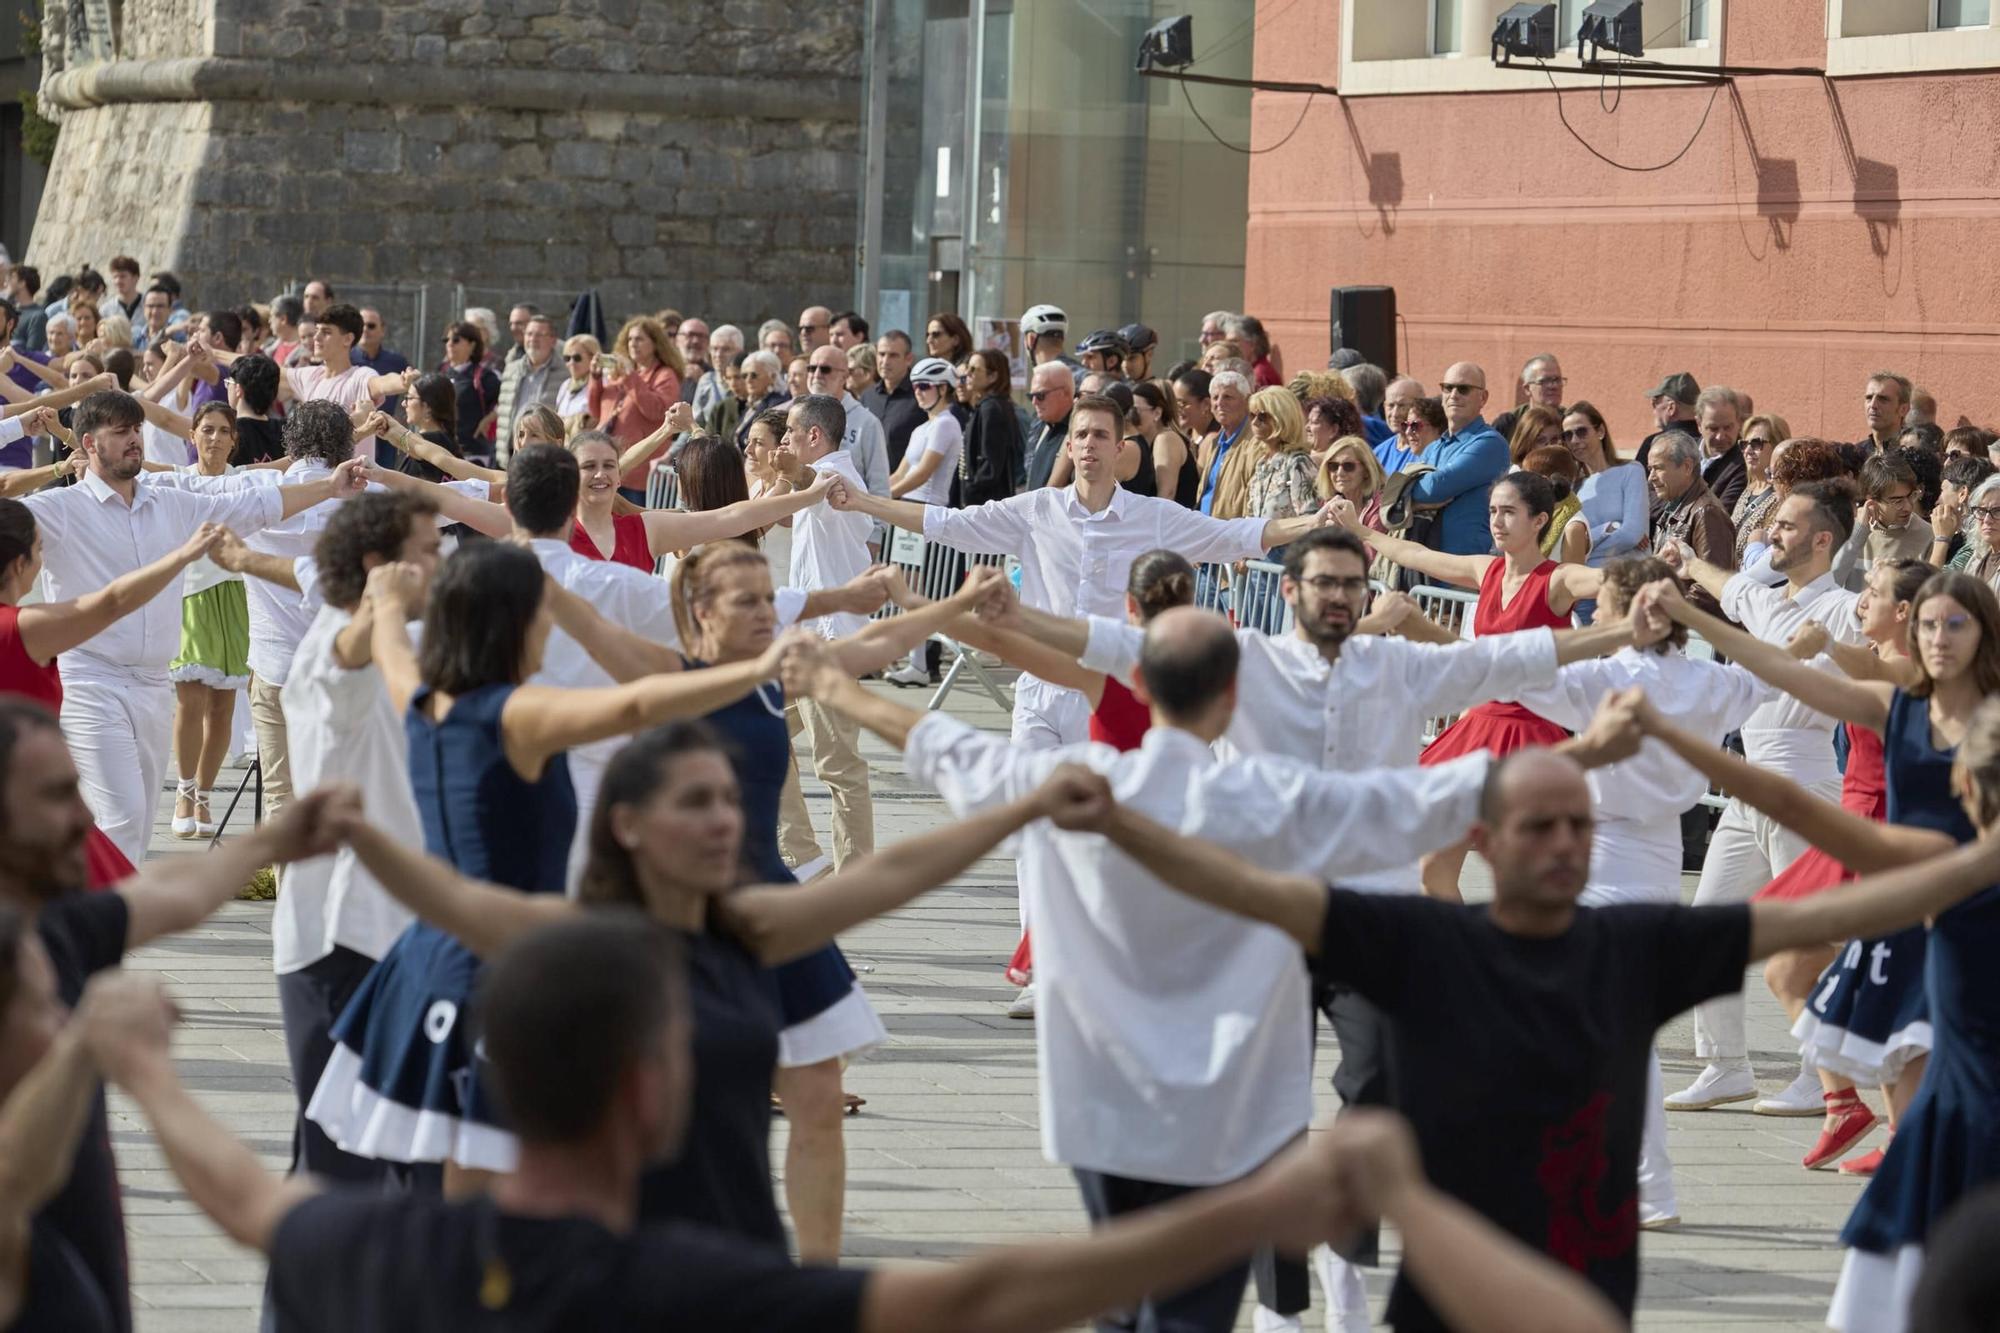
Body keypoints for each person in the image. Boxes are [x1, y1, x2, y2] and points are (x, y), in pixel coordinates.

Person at [1055, 682, 2000, 1333]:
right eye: (1538, 825)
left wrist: (1977, 865)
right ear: (1483, 838)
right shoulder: (1424, 942)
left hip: (1584, 1295)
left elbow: (1840, 905)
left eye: (1579, 825)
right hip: (1443, 1297)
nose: (1563, 843)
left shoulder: (1636, 949)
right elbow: (1260, 892)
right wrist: (1120, 824)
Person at [783, 605, 1625, 1333]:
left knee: (1119, 1291)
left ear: (1138, 687)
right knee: (1191, 1311)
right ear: (1231, 700)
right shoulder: (1276, 802)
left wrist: (833, 687)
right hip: (1232, 1118)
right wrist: (1588, 749)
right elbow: (1426, 798)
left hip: (1099, 1104)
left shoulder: (1057, 782)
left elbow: (938, 742)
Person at [304, 539, 805, 1187]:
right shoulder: (516, 714)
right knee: (496, 1170)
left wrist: (389, 601)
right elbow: (636, 704)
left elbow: (392, 649)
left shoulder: (423, 699)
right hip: (507, 966)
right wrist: (759, 671)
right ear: (510, 621)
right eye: (540, 612)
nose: (549, 626)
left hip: (426, 959)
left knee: (461, 1165)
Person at [829, 393, 1342, 1014]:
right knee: (1033, 821)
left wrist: (1312, 522)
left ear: (1122, 448)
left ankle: (1118, 957)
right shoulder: (1036, 510)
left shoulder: (1152, 516)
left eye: (1103, 435)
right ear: (1069, 446)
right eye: (1082, 436)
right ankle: (1042, 966)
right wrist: (861, 501)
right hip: (1041, 689)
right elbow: (950, 525)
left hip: (1110, 695)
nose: (1091, 446)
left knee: (1105, 836)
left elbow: (1234, 536)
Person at [1619, 657, 2000, 1333]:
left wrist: (1668, 733)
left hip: (1956, 1143)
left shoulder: (1942, 866)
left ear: (1962, 782)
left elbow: (1793, 807)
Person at [0, 693, 350, 1333]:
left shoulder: (52, 932)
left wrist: (275, 838)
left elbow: (167, 891)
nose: (84, 817)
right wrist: (87, 1050)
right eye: (55, 796)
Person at [19, 391, 366, 861]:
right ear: (89, 442)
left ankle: (91, 916)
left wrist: (329, 487)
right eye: (120, 432)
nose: (134, 441)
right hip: (90, 680)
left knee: (137, 825)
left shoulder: (171, 503)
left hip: (153, 684)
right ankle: (100, 925)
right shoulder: (59, 510)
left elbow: (258, 504)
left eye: (137, 430)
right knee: (121, 817)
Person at [1653, 481, 1873, 1112]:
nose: (1771, 533)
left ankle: (1820, 1075)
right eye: (1773, 523)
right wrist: (1685, 559)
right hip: (1751, 789)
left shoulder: (1843, 610)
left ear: (1822, 539)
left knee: (1807, 938)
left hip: (1804, 786)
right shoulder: (1764, 597)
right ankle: (1725, 1065)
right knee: (1710, 928)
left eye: (1786, 526)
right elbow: (1727, 583)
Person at [1329, 472, 1602, 898]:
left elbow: (1607, 582)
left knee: (1523, 877)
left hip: (1529, 735)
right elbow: (1414, 554)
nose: (1497, 521)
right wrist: (1361, 530)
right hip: (1475, 728)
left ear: (1539, 521)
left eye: (1509, 512)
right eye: (1493, 511)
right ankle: (1465, 954)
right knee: (1432, 869)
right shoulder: (1486, 569)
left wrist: (1662, 574)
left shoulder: (1559, 579)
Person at [164, 404, 256, 838]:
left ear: (234, 438)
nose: (215, 438)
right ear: (192, 433)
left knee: (223, 704)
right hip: (190, 595)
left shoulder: (247, 481)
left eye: (223, 431)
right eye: (207, 430)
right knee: (191, 698)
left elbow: (295, 476)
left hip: (237, 596)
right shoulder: (176, 480)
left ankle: (203, 793)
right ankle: (183, 790)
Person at [1406, 363, 1509, 556]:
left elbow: (1434, 488)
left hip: (1463, 569)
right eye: (1448, 387)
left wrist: (1406, 496)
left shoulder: (1490, 443)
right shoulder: (1433, 447)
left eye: (1463, 389)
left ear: (1483, 398)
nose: (1454, 394)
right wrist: (1413, 499)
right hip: (1423, 565)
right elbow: (1394, 491)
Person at [588, 316, 684, 500]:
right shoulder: (624, 372)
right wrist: (595, 378)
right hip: (611, 466)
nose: (633, 344)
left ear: (655, 344)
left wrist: (630, 377)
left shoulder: (665, 375)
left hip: (640, 474)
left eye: (639, 339)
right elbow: (596, 412)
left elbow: (656, 411)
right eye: (630, 339)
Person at [1645, 432, 1737, 604]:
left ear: (1687, 466)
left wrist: (1670, 614)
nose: (1651, 478)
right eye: (1650, 469)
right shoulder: (1675, 505)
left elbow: (1711, 587)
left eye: (1658, 468)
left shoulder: (1707, 512)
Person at [1243, 389, 1319, 525]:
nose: (1254, 422)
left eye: (1262, 416)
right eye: (1251, 415)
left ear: (1282, 418)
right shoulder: (1262, 464)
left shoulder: (1298, 463)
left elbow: (1310, 519)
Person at [495, 314, 564, 462]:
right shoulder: (511, 369)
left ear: (553, 340)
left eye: (540, 334)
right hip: (511, 455)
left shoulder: (565, 372)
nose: (533, 339)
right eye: (529, 334)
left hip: (545, 456)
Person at [1857, 450, 1934, 571]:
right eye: (1897, 501)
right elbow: (1834, 579)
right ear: (1872, 499)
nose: (1908, 507)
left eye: (1911, 496)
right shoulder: (1851, 531)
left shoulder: (1927, 536)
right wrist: (1859, 533)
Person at [1730, 412, 1791, 565]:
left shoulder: (1783, 495)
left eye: (1756, 444)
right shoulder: (1749, 489)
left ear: (1778, 445)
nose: (1748, 451)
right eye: (1744, 444)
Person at [1130, 379, 1194, 507]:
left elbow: (1166, 495)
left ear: (1157, 413)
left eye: (1135, 410)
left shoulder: (1166, 439)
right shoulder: (1143, 445)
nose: (1130, 416)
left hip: (1174, 524)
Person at [1522, 445, 1590, 564]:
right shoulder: (1535, 517)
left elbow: (1572, 579)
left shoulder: (1573, 527)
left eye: (1526, 479)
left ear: (1542, 480)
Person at [1314, 434, 1386, 542]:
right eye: (1333, 466)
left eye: (1348, 466)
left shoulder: (1380, 506)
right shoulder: (1329, 503)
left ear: (1366, 471)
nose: (1339, 473)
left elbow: (1372, 554)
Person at [1491, 354, 1566, 444]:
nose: (1553, 386)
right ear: (1527, 389)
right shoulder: (1508, 424)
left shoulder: (1571, 422)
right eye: (1544, 381)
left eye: (1557, 380)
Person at [1022, 361, 1073, 493]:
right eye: (1031, 396)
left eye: (1040, 396)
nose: (1034, 402)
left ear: (1065, 393)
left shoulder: (1079, 432)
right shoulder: (1042, 425)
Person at [1634, 371, 1700, 469]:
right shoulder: (1707, 443)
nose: (1654, 410)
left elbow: (1639, 482)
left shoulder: (1654, 444)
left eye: (1655, 402)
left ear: (1671, 408)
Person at [1503, 404, 1562, 468]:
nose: (1550, 446)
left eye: (1554, 439)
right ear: (1525, 444)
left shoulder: (1567, 472)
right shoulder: (1514, 475)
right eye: (1541, 440)